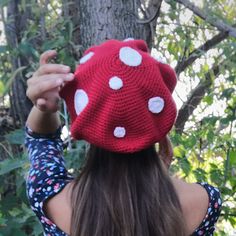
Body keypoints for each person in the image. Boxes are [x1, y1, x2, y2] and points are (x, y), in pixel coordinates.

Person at [25, 39, 221, 236]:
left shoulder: (50, 198)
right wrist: (160, 180)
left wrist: (44, 107)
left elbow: (41, 141)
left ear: (87, 118)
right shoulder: (204, 203)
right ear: (159, 122)